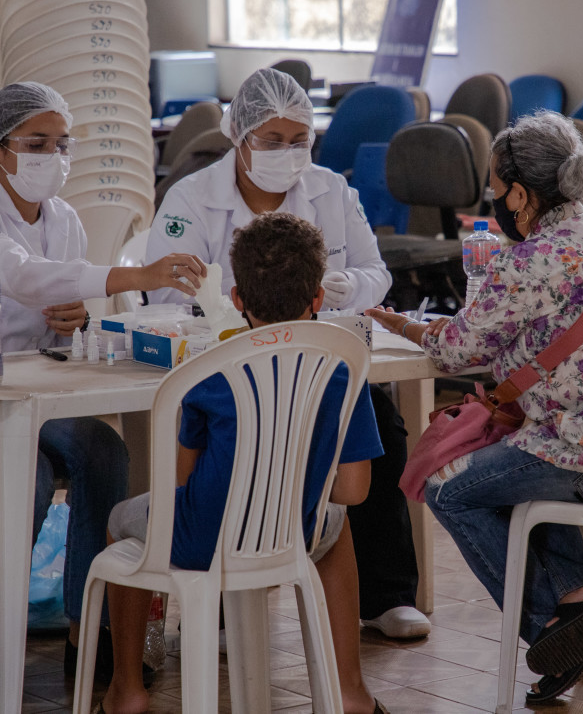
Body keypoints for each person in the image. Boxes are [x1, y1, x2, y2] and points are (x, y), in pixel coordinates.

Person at [0, 82, 206, 702]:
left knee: (105, 451)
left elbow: (53, 304)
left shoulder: (65, 220)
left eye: (62, 144)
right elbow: (17, 274)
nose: (52, 157)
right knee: (21, 469)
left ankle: (94, 630)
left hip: (29, 389)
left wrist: (77, 318)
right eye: (36, 144)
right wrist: (135, 274)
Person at [368, 111, 583, 703]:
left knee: (449, 486)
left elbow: (459, 349)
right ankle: (581, 593)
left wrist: (408, 326)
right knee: (507, 469)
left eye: (496, 191)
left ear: (521, 194)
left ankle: (549, 626)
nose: (494, 202)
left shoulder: (530, 259)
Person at [147, 67, 431, 639]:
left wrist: (344, 285)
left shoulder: (331, 189)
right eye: (271, 141)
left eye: (298, 139)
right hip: (229, 372)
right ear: (238, 135)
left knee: (384, 427)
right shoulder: (192, 198)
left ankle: (385, 595)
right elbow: (162, 293)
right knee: (231, 446)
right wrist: (226, 312)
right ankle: (225, 608)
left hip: (320, 365)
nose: (287, 152)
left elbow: (377, 273)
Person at [101, 213, 388, 714]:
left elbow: (183, 481)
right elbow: (354, 491)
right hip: (291, 537)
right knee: (336, 528)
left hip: (201, 541)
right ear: (318, 297)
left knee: (120, 522)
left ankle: (127, 688)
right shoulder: (341, 368)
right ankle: (351, 690)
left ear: (236, 300)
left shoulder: (208, 372)